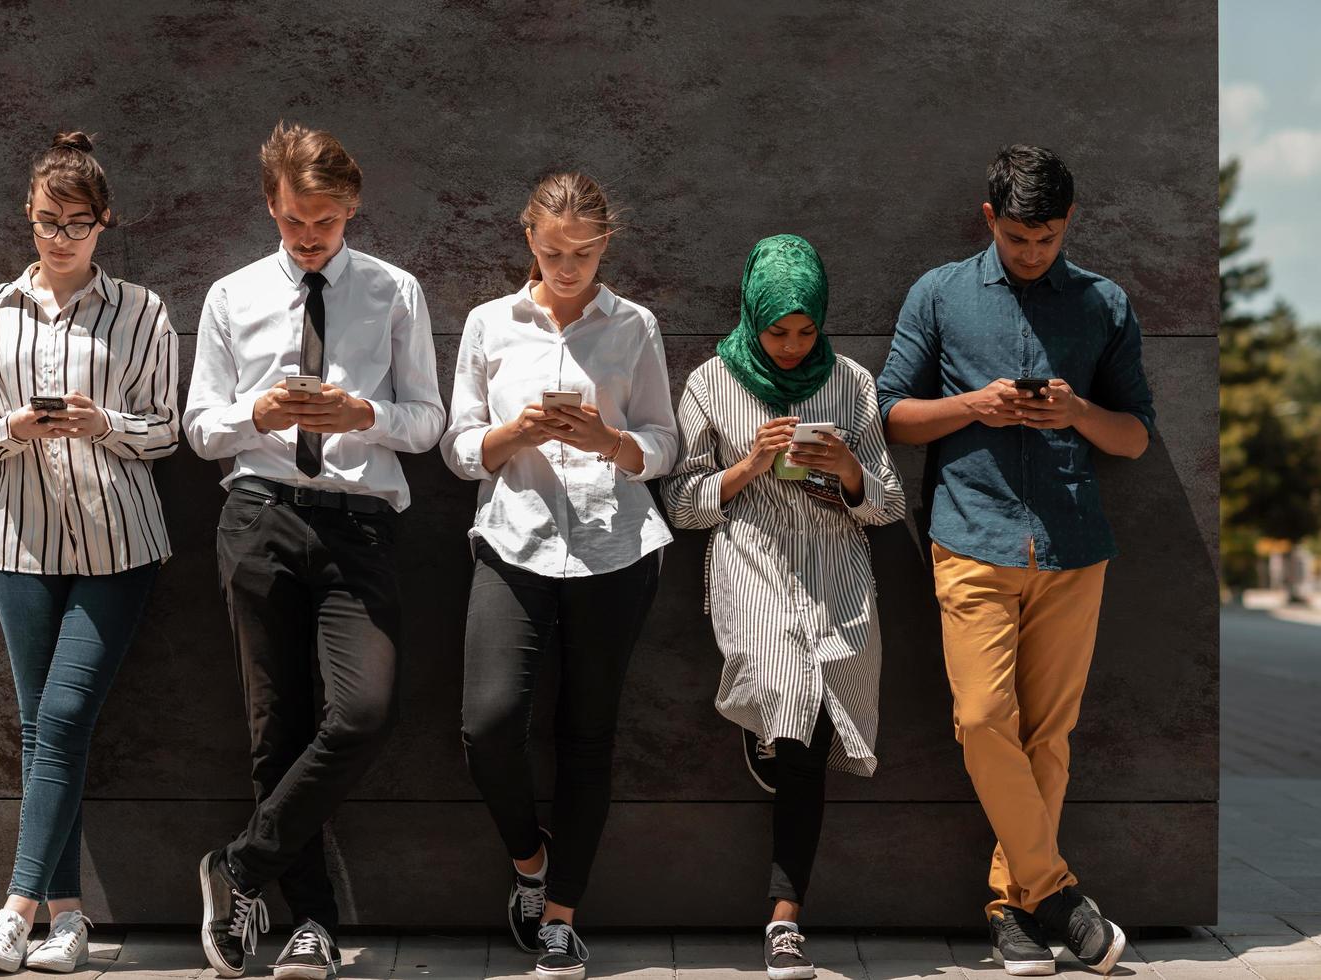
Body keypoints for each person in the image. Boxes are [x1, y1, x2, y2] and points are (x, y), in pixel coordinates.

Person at [877, 145, 1155, 977]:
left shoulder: (1104, 303)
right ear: (989, 218)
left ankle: (1014, 910)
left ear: (1069, 223)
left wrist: (1076, 412)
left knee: (1050, 737)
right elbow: (890, 413)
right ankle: (1061, 895)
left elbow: (1136, 436)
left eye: (1049, 237)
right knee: (982, 721)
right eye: (1020, 238)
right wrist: (975, 407)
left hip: (1074, 546)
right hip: (970, 539)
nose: (1034, 253)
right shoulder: (939, 293)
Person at [183, 121, 444, 980]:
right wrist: (259, 414)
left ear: (353, 209)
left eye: (326, 222)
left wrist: (363, 417)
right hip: (259, 515)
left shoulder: (394, 292)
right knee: (276, 729)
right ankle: (313, 926)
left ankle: (240, 868)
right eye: (296, 220)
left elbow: (429, 422)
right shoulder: (231, 295)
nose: (309, 238)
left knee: (362, 711)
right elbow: (200, 429)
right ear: (272, 204)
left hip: (357, 523)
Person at [441, 172, 677, 980]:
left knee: (588, 734)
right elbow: (459, 446)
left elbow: (663, 443)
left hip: (616, 549)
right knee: (490, 724)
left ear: (606, 244)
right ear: (527, 239)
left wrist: (605, 438)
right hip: (514, 540)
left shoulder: (634, 325)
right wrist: (519, 431)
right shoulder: (488, 324)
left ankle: (562, 918)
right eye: (551, 251)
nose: (567, 267)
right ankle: (530, 862)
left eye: (582, 252)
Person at [0, 131, 178, 973]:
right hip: (20, 541)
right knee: (42, 729)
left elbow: (166, 431)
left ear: (104, 223)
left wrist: (103, 423)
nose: (59, 237)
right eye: (47, 221)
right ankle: (71, 919)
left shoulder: (142, 310)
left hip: (118, 543)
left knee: (62, 717)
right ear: (28, 215)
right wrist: (13, 426)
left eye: (77, 223)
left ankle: (13, 911)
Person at [662, 234, 904, 980]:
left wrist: (849, 470)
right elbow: (683, 504)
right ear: (751, 316)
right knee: (790, 701)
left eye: (806, 330)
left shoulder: (853, 384)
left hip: (837, 574)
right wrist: (750, 465)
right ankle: (784, 914)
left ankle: (784, 921)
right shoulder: (709, 381)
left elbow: (890, 503)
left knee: (815, 730)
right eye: (778, 332)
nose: (794, 346)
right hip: (754, 565)